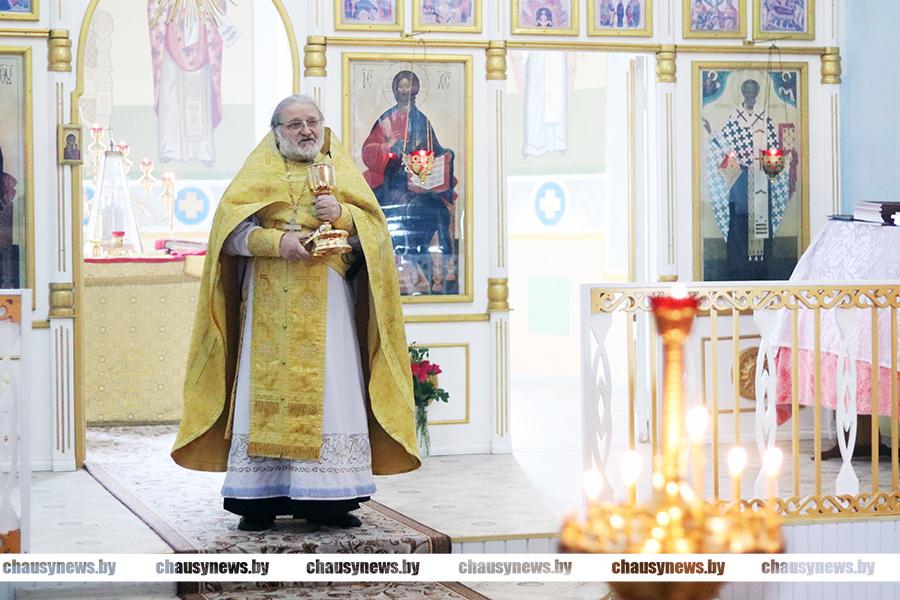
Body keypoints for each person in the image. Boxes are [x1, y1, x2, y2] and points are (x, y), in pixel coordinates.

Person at [172, 95, 420, 532]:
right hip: (267, 301)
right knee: (261, 393)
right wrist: (277, 243)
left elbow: (376, 240)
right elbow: (227, 236)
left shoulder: (341, 171)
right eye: (294, 124)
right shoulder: (257, 173)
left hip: (329, 305)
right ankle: (260, 498)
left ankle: (329, 498)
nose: (305, 130)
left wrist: (344, 216)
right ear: (276, 132)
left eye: (312, 122)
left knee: (331, 393)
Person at [361, 70, 456, 294]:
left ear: (416, 91)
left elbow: (435, 149)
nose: (406, 90)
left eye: (410, 86)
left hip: (421, 182)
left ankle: (446, 267)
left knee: (440, 212)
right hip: (393, 181)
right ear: (395, 90)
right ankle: (408, 266)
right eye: (402, 86)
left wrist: (447, 154)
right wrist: (387, 147)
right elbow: (368, 151)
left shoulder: (422, 120)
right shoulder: (386, 119)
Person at [703, 78, 791, 281]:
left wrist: (773, 160)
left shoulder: (764, 117)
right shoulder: (736, 117)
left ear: (757, 93)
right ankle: (738, 266)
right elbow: (724, 141)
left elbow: (774, 145)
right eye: (747, 92)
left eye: (753, 92)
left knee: (762, 224)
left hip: (762, 176)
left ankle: (761, 270)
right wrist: (710, 131)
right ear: (743, 94)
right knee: (739, 222)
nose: (750, 96)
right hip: (741, 179)